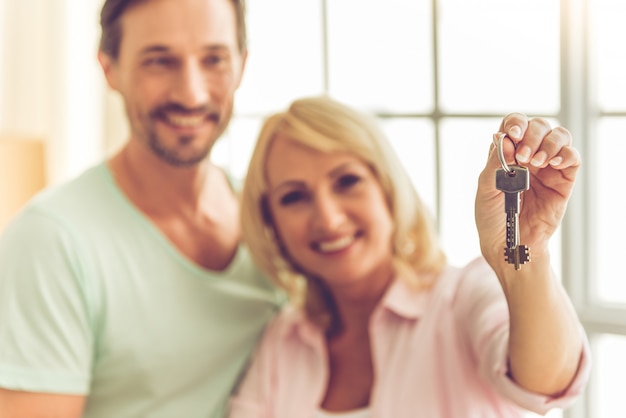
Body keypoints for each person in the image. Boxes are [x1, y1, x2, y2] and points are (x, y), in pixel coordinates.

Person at [0, 0, 283, 417]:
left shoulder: (278, 223)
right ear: (109, 69)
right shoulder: (51, 241)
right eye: (159, 61)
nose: (192, 92)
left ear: (242, 64)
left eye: (214, 59)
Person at [229, 95, 591, 417]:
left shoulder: (463, 296)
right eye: (294, 197)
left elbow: (549, 381)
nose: (328, 218)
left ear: (387, 189)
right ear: (271, 223)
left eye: (347, 182)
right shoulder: (283, 339)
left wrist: (526, 251)